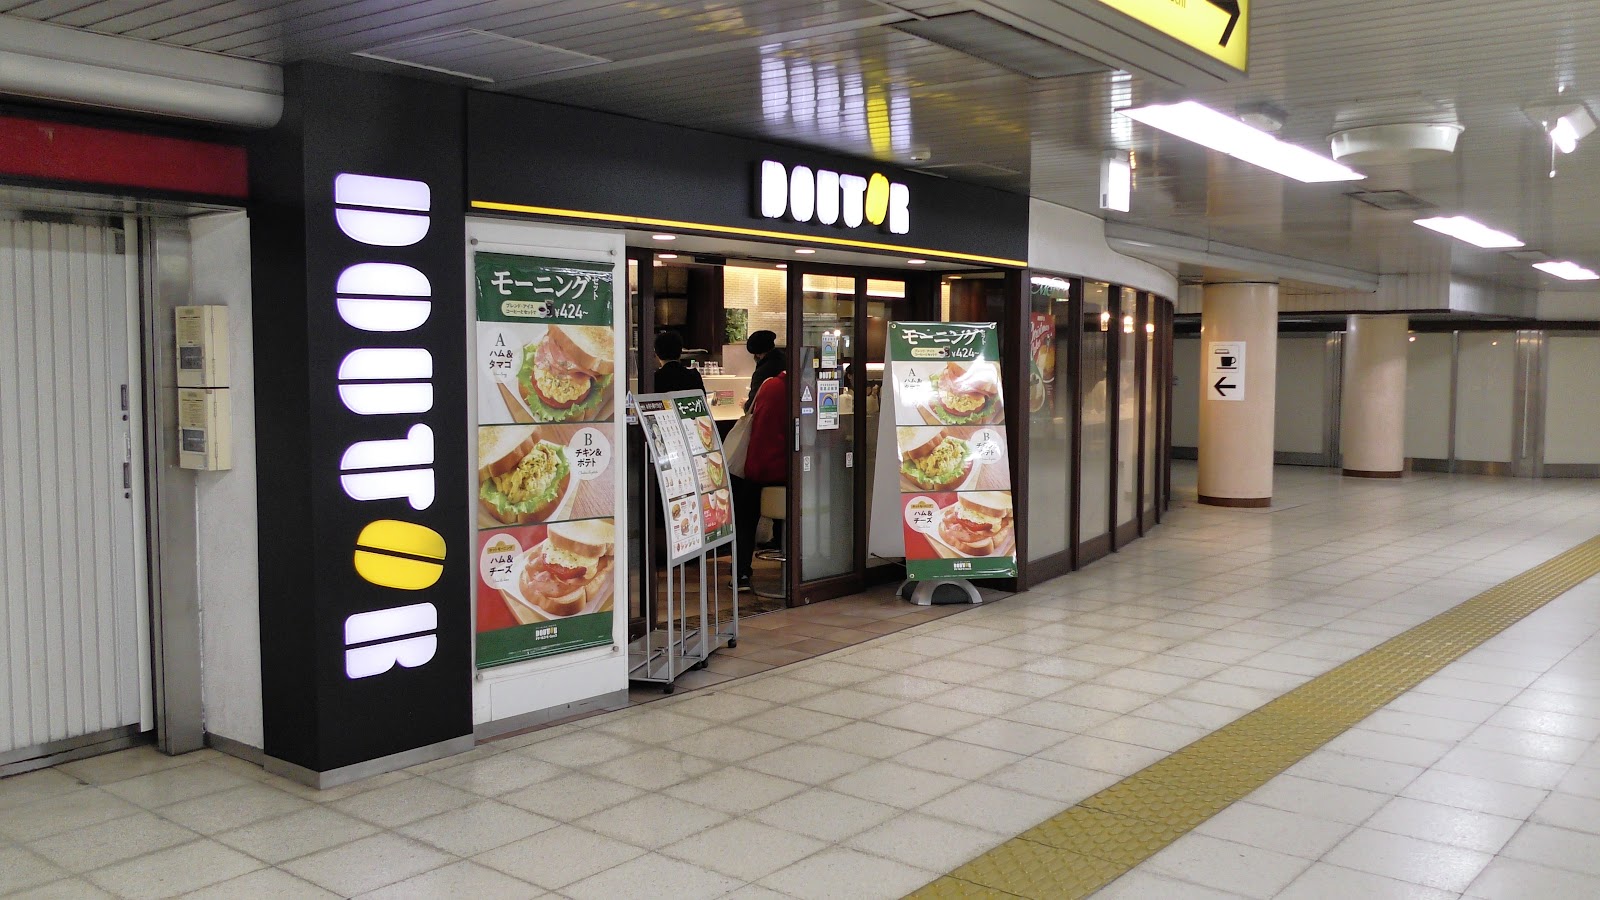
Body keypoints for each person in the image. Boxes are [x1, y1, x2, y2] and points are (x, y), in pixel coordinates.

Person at [732, 367, 788, 591]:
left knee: (746, 520)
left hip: (758, 466)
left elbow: (750, 411)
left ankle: (741, 574)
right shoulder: (803, 390)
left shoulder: (768, 386)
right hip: (787, 473)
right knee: (788, 516)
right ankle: (792, 569)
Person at [743, 330, 787, 413]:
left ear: (758, 354)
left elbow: (752, 406)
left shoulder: (762, 372)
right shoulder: (789, 361)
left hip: (769, 418)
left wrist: (746, 404)